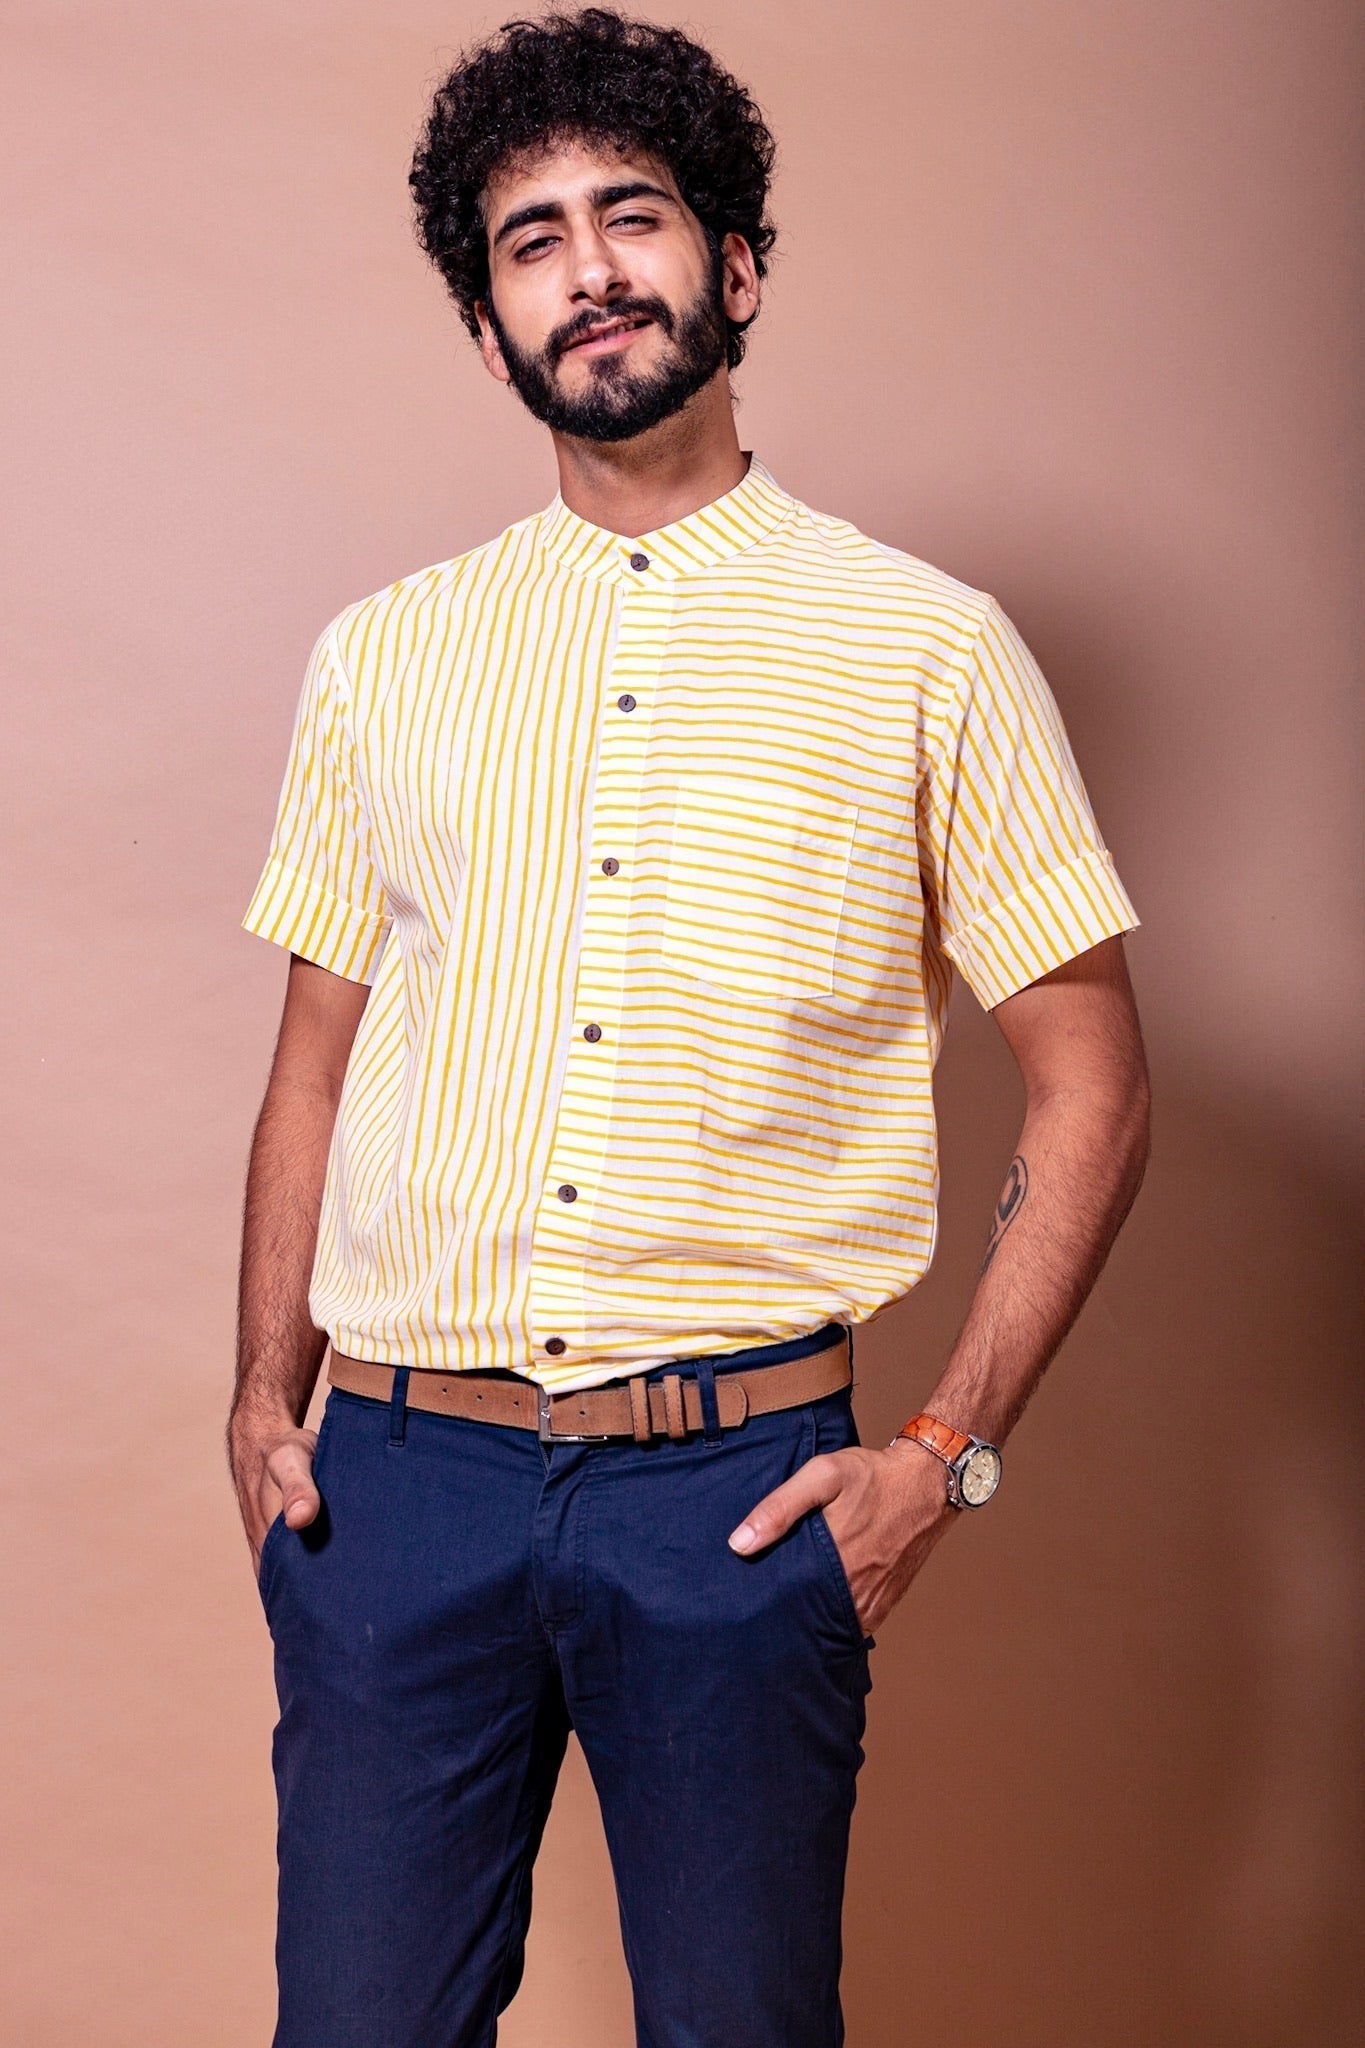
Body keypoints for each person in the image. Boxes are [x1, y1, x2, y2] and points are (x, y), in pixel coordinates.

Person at [228, 9, 1150, 2044]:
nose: (588, 271)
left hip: (731, 1500)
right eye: (530, 241)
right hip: (396, 1488)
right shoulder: (383, 658)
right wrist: (258, 1402)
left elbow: (1091, 1080)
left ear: (732, 264)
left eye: (629, 217)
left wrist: (941, 1459)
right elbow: (310, 1067)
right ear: (488, 329)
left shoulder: (928, 651)